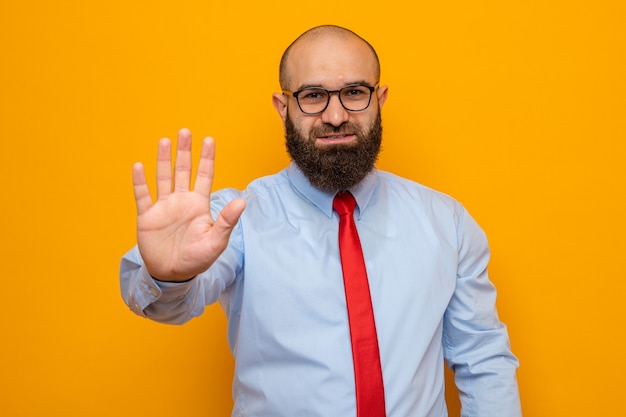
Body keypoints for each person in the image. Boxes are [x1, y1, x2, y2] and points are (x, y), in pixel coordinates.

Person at [120, 25, 522, 417]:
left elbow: (484, 359)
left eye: (353, 93)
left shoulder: (446, 222)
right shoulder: (235, 221)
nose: (334, 115)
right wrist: (169, 277)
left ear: (379, 99)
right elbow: (171, 306)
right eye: (313, 95)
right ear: (284, 108)